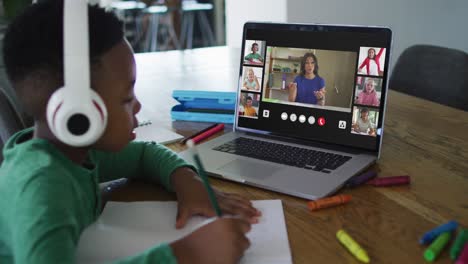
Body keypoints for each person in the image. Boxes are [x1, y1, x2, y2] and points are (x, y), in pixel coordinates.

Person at [0, 2, 260, 264]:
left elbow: (144, 155)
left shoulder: (74, 153)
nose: (137, 106)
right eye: (126, 98)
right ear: (78, 114)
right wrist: (186, 254)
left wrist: (187, 182)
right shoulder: (42, 188)